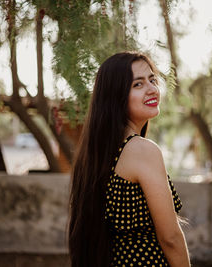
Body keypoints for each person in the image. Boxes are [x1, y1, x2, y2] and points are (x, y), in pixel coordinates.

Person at [69, 51, 190, 267]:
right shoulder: (142, 150)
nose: (152, 89)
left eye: (152, 80)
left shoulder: (96, 156)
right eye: (138, 84)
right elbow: (170, 238)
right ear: (116, 96)